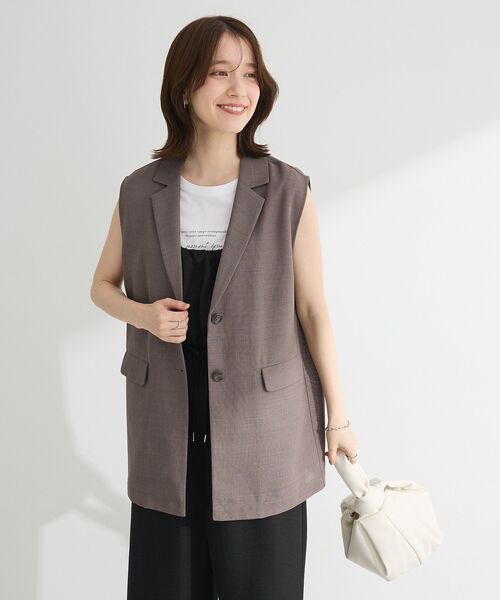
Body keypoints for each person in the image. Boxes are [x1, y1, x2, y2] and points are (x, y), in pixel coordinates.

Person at [90, 15, 358, 600]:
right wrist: (145, 316)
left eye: (251, 74)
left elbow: (313, 309)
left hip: (264, 438)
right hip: (165, 437)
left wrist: (337, 417)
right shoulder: (140, 190)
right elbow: (102, 286)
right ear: (184, 85)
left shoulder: (288, 189)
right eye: (220, 73)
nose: (239, 89)